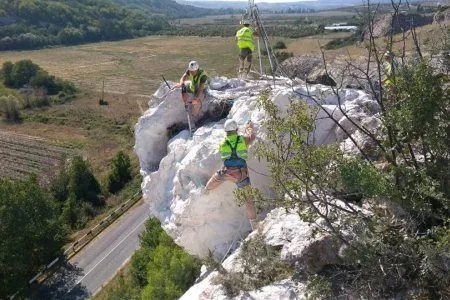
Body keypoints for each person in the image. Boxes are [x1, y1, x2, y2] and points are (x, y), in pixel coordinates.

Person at [205, 119, 259, 230]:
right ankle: (254, 224)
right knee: (248, 199)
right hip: (240, 173)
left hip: (227, 171)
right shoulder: (242, 140)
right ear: (236, 129)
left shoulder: (223, 143)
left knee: (217, 177)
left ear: (226, 132)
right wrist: (249, 127)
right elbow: (251, 137)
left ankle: (206, 189)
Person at [177, 61, 209, 128]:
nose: (191, 73)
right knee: (182, 92)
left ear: (197, 69)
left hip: (202, 89)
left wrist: (196, 99)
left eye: (193, 71)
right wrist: (182, 84)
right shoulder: (190, 70)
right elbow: (183, 78)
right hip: (193, 87)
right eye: (190, 71)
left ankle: (192, 119)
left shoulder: (203, 76)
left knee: (196, 104)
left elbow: (200, 89)